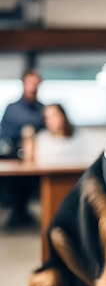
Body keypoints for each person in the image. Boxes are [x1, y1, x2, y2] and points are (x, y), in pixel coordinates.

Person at [0, 69, 46, 228]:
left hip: (36, 158)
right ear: (23, 84)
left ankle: (23, 213)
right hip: (12, 157)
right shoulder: (12, 108)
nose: (32, 87)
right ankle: (17, 213)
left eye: (36, 84)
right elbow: (3, 131)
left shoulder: (43, 110)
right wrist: (23, 132)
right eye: (30, 83)